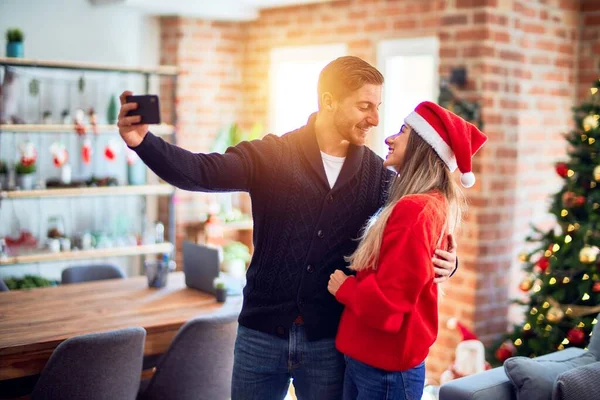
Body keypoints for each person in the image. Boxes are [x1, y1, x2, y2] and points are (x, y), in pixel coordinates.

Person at [117, 56, 458, 400]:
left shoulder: (378, 177)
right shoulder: (273, 155)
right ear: (328, 101)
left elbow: (416, 234)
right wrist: (143, 142)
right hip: (260, 336)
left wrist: (448, 262)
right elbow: (200, 171)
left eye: (377, 106)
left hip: (328, 341)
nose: (375, 118)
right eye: (364, 106)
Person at [327, 101, 487, 400]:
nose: (389, 138)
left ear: (423, 147)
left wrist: (345, 288)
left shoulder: (414, 209)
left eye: (402, 131)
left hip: (383, 366)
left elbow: (390, 302)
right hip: (375, 360)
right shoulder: (429, 203)